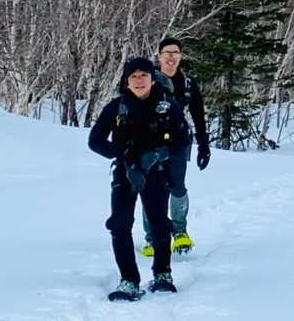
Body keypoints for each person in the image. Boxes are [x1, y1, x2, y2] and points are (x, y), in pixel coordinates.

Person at [88, 56, 190, 302]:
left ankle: (163, 274)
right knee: (120, 223)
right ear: (127, 81)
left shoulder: (167, 104)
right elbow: (95, 141)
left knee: (158, 222)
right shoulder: (116, 107)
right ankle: (129, 280)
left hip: (156, 171)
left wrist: (157, 154)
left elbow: (183, 138)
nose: (139, 80)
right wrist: (125, 157)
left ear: (152, 79)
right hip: (126, 173)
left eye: (143, 75)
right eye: (133, 76)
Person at [141, 36, 211, 256]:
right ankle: (152, 237)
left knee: (177, 187)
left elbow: (198, 116)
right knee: (151, 189)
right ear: (159, 56)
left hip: (179, 143)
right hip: (150, 143)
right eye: (167, 53)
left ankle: (180, 232)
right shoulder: (147, 79)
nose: (171, 57)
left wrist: (204, 145)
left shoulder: (188, 84)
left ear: (181, 57)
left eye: (176, 53)